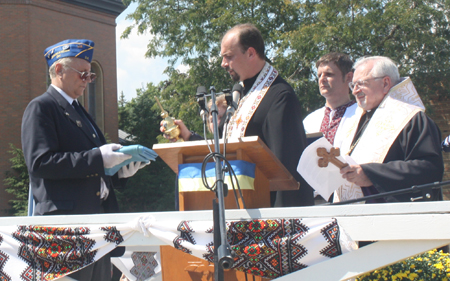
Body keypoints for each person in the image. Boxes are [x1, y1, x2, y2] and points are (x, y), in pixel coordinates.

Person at [21, 39, 147, 280]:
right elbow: (40, 163)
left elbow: (94, 163)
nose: (87, 80)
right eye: (83, 74)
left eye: (90, 75)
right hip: (66, 227)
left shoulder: (79, 110)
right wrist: (99, 158)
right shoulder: (42, 107)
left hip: (96, 225)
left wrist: (120, 171)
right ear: (59, 70)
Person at [162, 23, 313, 207]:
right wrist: (188, 136)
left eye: (228, 57)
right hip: (236, 206)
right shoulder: (241, 94)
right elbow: (225, 152)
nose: (223, 64)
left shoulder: (280, 96)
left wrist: (281, 221)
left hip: (267, 212)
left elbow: (286, 167)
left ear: (250, 53)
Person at [336, 56, 443, 203]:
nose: (355, 91)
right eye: (353, 85)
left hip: (395, 215)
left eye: (360, 84)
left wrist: (371, 174)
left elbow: (429, 169)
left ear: (386, 83)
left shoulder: (411, 118)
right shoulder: (358, 120)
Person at [303, 52, 357, 148]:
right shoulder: (310, 121)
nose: (322, 79)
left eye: (329, 74)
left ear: (349, 77)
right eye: (319, 75)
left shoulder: (361, 115)